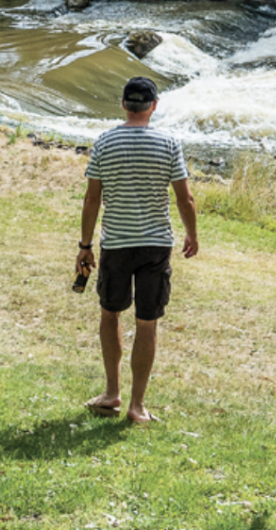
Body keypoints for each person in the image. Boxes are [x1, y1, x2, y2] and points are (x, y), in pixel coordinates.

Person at [77, 76, 198, 425]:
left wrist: (85, 245)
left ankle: (111, 392)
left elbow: (91, 199)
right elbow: (184, 197)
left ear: (123, 105)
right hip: (155, 244)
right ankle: (137, 405)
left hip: (115, 243)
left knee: (110, 314)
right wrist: (192, 234)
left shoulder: (105, 142)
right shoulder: (169, 143)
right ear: (154, 106)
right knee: (147, 323)